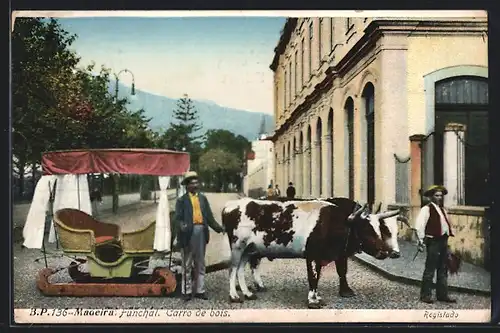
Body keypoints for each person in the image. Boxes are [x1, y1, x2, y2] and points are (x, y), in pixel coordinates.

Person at [175, 171, 225, 301]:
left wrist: (219, 228)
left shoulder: (203, 198)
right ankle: (186, 291)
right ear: (187, 185)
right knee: (187, 263)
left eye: (196, 182)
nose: (195, 185)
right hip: (187, 234)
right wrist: (182, 226)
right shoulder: (181, 200)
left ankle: (200, 290)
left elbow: (209, 216)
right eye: (192, 183)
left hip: (201, 232)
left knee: (200, 262)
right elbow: (177, 218)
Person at [414, 185, 456, 304]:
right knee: (430, 268)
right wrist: (420, 241)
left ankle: (442, 295)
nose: (439, 198)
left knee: (443, 269)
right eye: (437, 195)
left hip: (443, 241)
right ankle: (425, 295)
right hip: (433, 241)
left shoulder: (443, 210)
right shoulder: (426, 209)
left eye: (441, 196)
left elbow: (446, 224)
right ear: (431, 197)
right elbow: (419, 226)